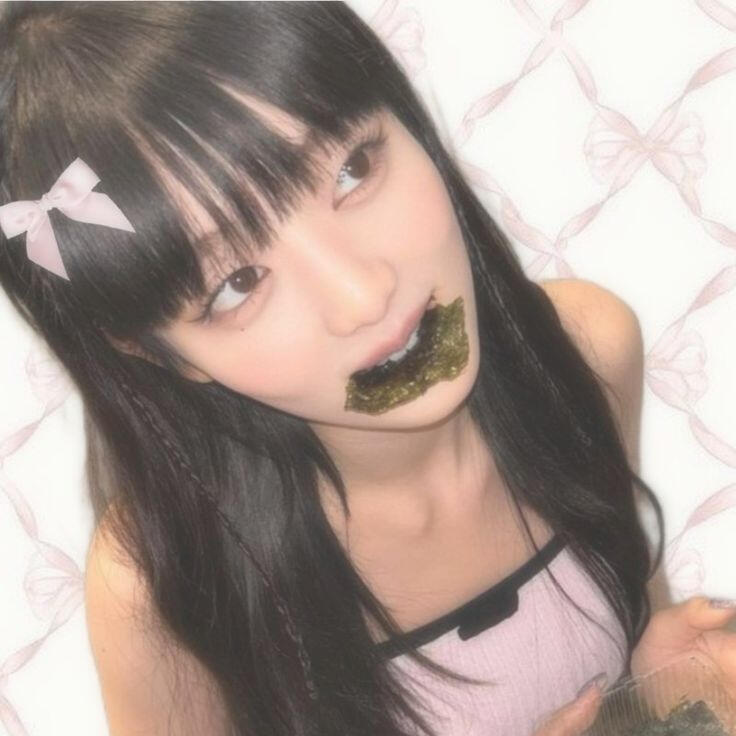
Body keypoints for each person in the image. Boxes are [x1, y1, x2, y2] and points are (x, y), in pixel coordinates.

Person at [2, 3, 736, 735]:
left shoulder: (586, 348)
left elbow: (632, 650)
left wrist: (660, 685)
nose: (363, 296)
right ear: (153, 351)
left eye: (352, 170)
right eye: (237, 284)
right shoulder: (166, 584)